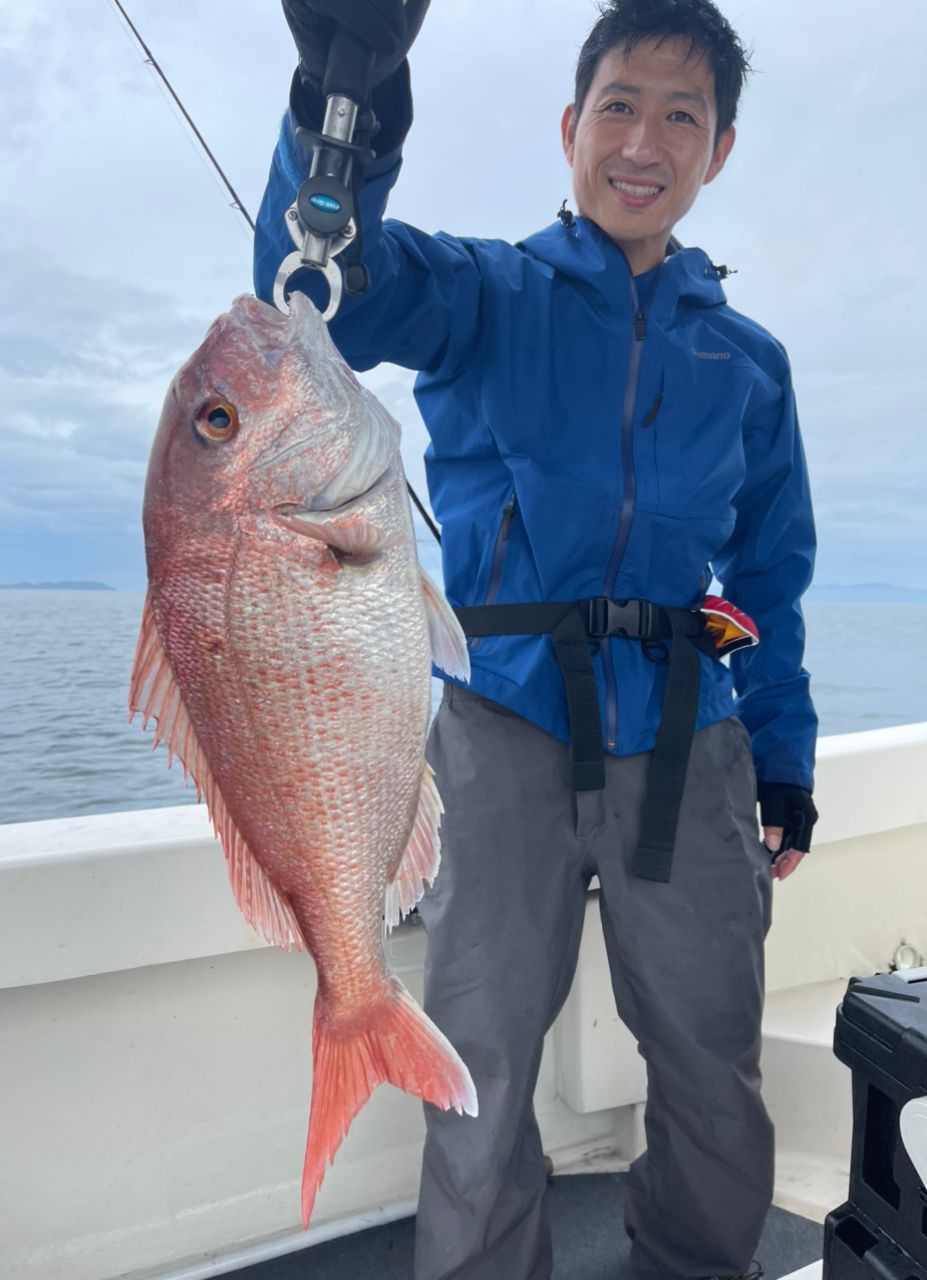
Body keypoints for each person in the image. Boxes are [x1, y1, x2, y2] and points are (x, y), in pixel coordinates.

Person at [254, 2, 820, 1277]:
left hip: (692, 740)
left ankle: (691, 1261)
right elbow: (320, 291)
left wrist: (781, 754)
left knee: (708, 1047)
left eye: (682, 115)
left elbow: (764, 581)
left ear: (717, 150)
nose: (644, 139)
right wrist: (339, 115)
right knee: (478, 1050)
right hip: (498, 724)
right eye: (618, 104)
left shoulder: (748, 361)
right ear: (570, 128)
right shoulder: (486, 292)